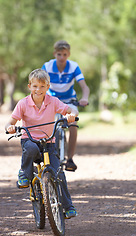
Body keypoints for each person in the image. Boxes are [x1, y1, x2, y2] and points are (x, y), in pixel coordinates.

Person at [5, 69, 78, 219]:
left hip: (48, 142)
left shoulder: (53, 101)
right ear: (29, 86)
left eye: (42, 86)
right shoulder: (23, 103)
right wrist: (10, 127)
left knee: (58, 173)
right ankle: (24, 173)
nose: (38, 90)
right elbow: (10, 122)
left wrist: (71, 115)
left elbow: (70, 109)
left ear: (48, 87)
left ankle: (68, 207)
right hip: (30, 139)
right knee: (30, 149)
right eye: (35, 86)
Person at [41, 40, 90, 172]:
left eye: (64, 54)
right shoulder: (47, 66)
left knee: (73, 123)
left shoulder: (74, 67)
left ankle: (70, 158)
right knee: (45, 125)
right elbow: (39, 82)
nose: (62, 57)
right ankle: (45, 154)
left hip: (69, 101)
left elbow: (84, 87)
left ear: (68, 54)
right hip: (51, 101)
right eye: (59, 54)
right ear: (54, 54)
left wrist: (84, 98)